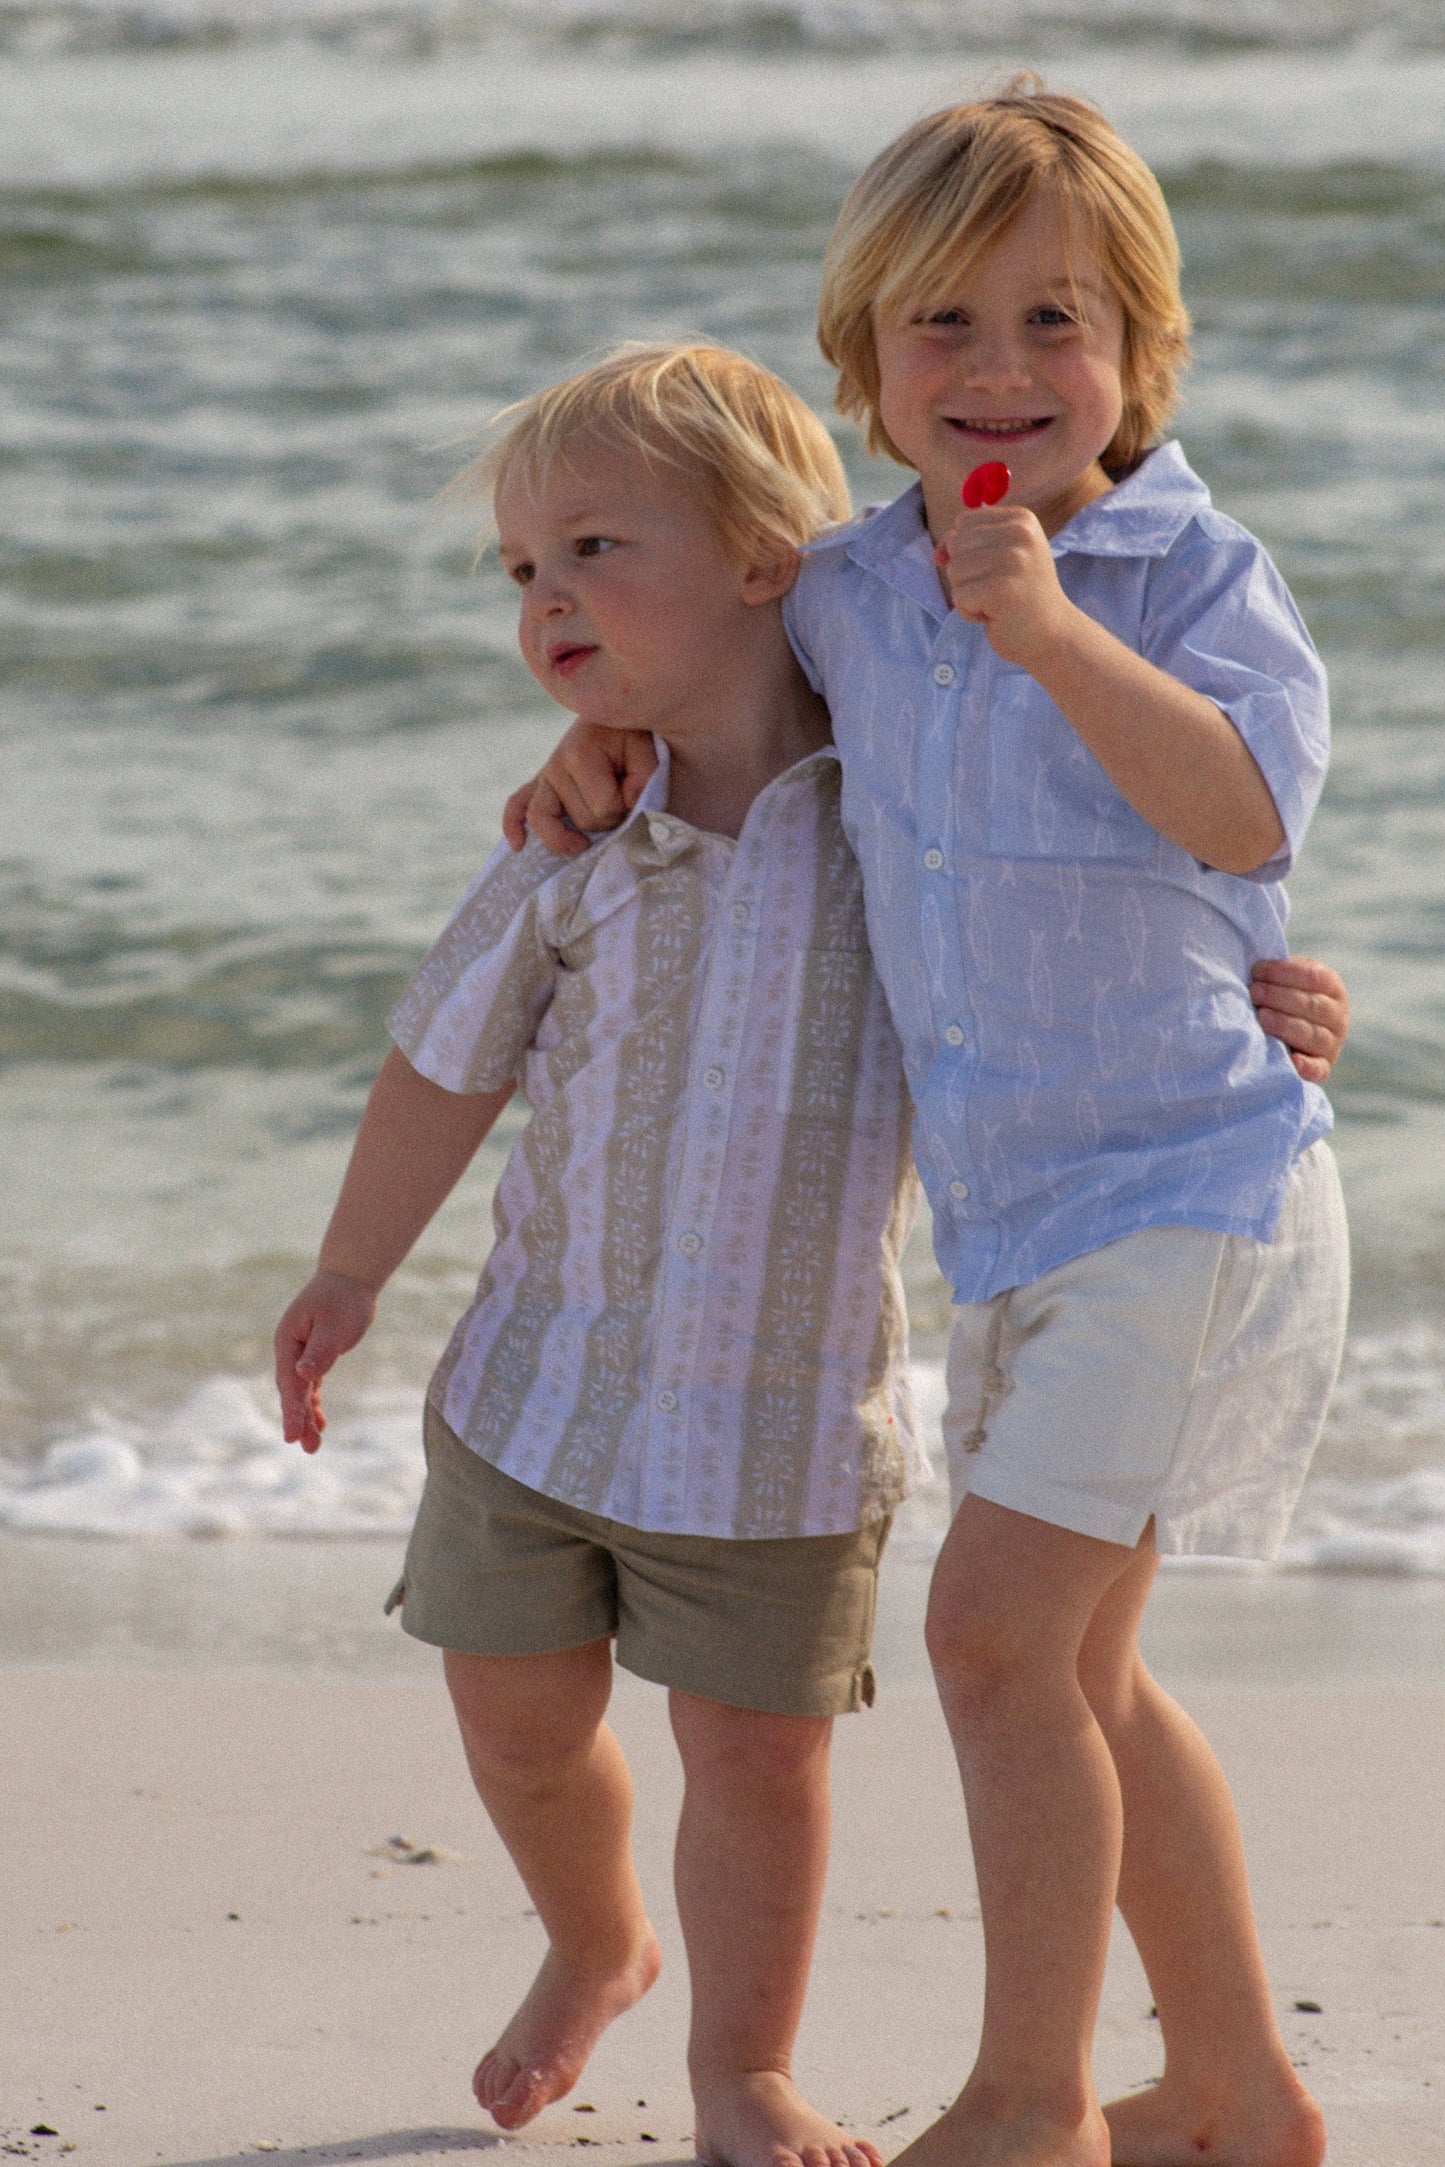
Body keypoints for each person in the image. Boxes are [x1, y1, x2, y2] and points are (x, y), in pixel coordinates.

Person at [505, 87, 1352, 2167]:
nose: (998, 372)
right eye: (941, 326)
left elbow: (1251, 811)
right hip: (1019, 1224)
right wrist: (590, 728)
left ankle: (1028, 2100)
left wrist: (1052, 628)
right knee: (1095, 1676)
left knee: (989, 1640)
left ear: (1142, 356)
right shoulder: (857, 593)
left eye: (1056, 321)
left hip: (1193, 1189)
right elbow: (718, 676)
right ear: (865, 372)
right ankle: (1241, 2088)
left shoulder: (1189, 575)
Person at [275, 342, 938, 2167]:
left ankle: (745, 2071)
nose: (546, 597)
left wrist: (1250, 995)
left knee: (755, 1763)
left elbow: (1062, 967)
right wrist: (347, 1274)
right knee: (512, 1719)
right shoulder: (579, 841)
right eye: (519, 571)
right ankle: (595, 1938)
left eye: (589, 548)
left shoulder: (904, 825)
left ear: (759, 556)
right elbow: (441, 1061)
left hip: (780, 1424)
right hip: (535, 1395)